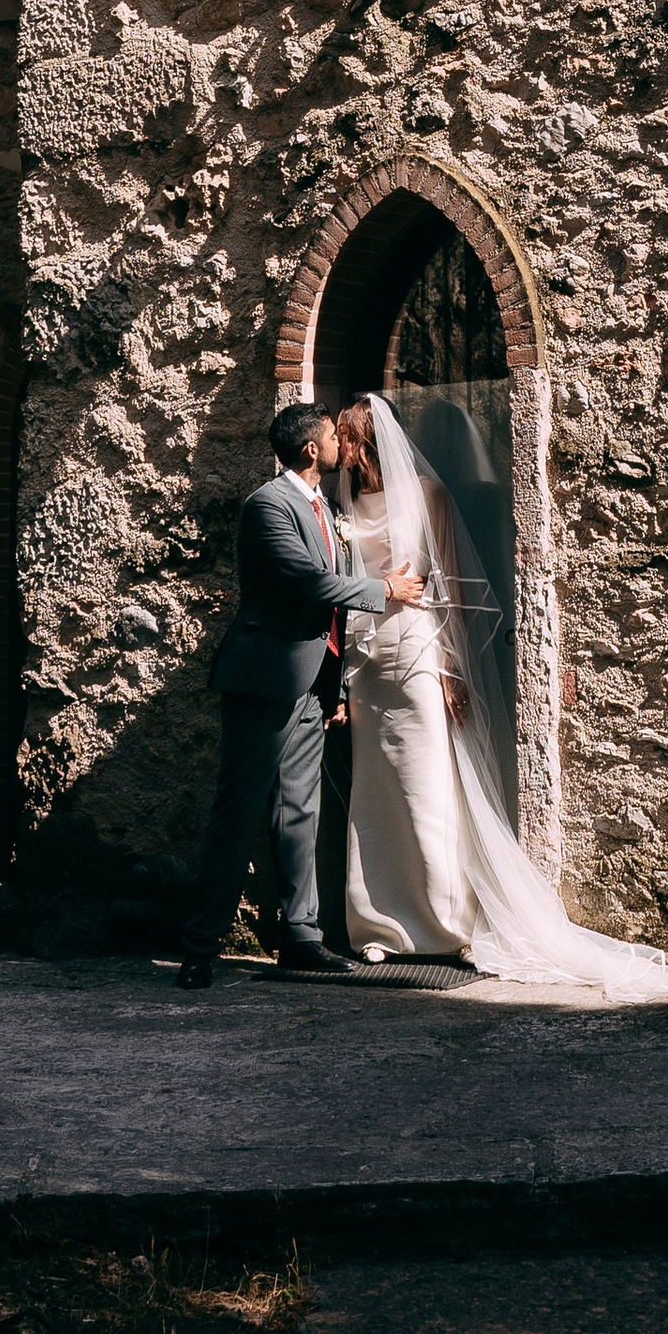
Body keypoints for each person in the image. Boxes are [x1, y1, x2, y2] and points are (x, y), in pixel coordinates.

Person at [331, 389, 668, 998]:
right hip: (367, 661)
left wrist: (452, 670)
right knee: (375, 795)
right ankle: (380, 924)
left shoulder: (427, 497)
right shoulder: (344, 500)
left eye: (345, 438)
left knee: (428, 790)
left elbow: (452, 593)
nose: (337, 450)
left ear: (365, 439)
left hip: (417, 653)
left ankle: (445, 922)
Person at [177, 401, 425, 990]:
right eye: (333, 437)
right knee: (239, 812)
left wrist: (334, 685)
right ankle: (199, 947)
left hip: (314, 682)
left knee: (300, 811)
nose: (342, 443)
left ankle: (301, 939)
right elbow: (305, 582)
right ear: (311, 449)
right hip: (264, 679)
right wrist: (383, 587)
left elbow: (328, 616)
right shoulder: (268, 505)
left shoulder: (327, 509)